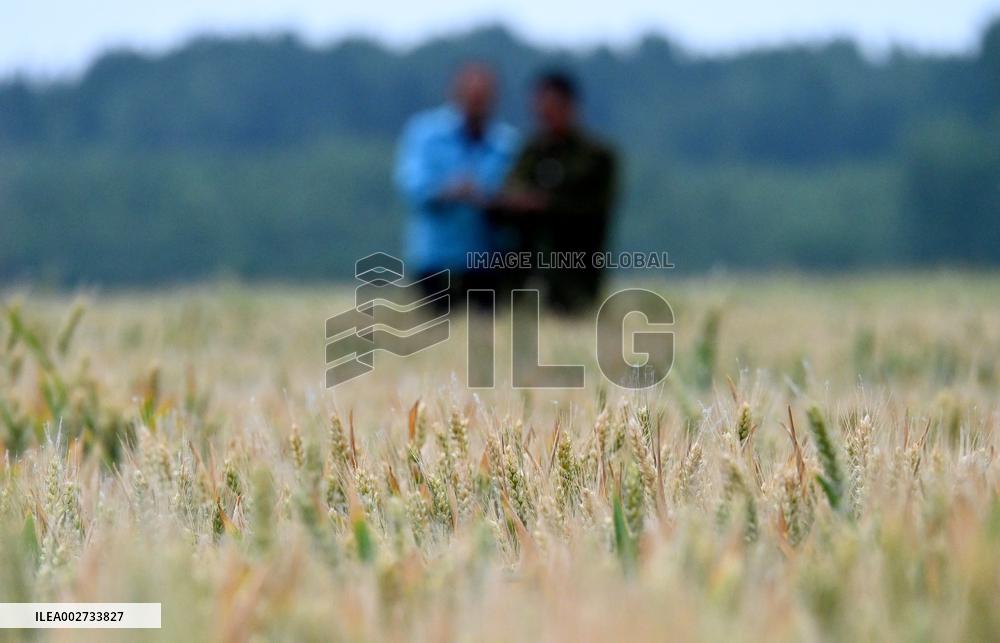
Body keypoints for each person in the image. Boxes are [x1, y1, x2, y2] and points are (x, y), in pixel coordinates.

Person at [394, 63, 519, 312]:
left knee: (486, 338)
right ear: (455, 94)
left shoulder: (506, 143)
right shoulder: (426, 134)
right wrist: (448, 191)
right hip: (436, 259)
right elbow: (411, 186)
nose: (476, 102)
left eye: (483, 97)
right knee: (436, 335)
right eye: (471, 96)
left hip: (488, 260)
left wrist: (492, 199)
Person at [493, 71, 618, 314]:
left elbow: (598, 207)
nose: (545, 116)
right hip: (525, 267)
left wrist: (547, 204)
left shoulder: (596, 157)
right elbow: (508, 196)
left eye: (551, 108)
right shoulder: (530, 152)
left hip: (576, 268)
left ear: (570, 107)